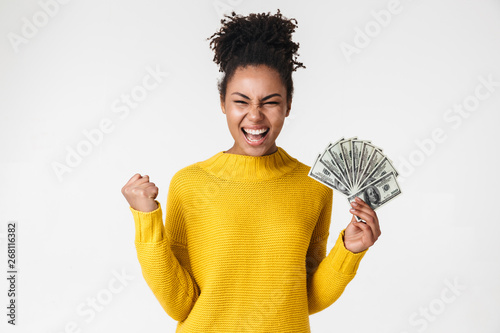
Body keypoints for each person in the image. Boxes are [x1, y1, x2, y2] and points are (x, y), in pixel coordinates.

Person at [121, 9, 381, 332]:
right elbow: (180, 303)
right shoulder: (190, 185)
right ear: (222, 103)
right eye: (241, 102)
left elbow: (306, 297)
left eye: (270, 102)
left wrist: (349, 251)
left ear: (288, 104)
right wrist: (146, 220)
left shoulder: (312, 186)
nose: (255, 116)